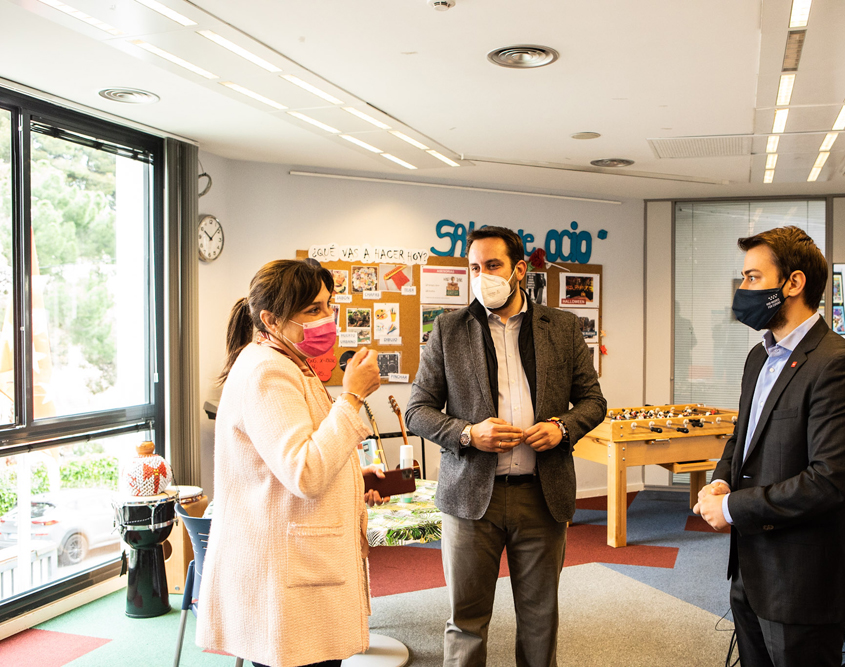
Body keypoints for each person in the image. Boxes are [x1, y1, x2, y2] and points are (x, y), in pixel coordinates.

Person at [405, 226, 607, 667]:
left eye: (492, 266)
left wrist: (562, 427)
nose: (482, 276)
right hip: (470, 498)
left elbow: (593, 401)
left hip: (542, 495)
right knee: (467, 620)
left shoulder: (564, 327)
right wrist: (468, 433)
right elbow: (417, 410)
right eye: (474, 267)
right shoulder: (448, 329)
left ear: (519, 270)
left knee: (539, 619)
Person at [693, 226, 845, 667]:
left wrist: (734, 508)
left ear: (793, 283)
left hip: (802, 581)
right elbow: (743, 438)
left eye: (753, 278)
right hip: (750, 569)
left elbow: (829, 482)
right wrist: (720, 481)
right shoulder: (760, 357)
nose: (742, 289)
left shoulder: (839, 364)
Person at [198, 258, 386, 667]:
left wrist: (354, 475)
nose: (327, 319)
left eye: (328, 305)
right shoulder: (267, 371)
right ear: (271, 318)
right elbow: (305, 471)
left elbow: (294, 456)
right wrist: (352, 397)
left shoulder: (286, 361)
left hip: (292, 560)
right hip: (285, 570)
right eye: (313, 310)